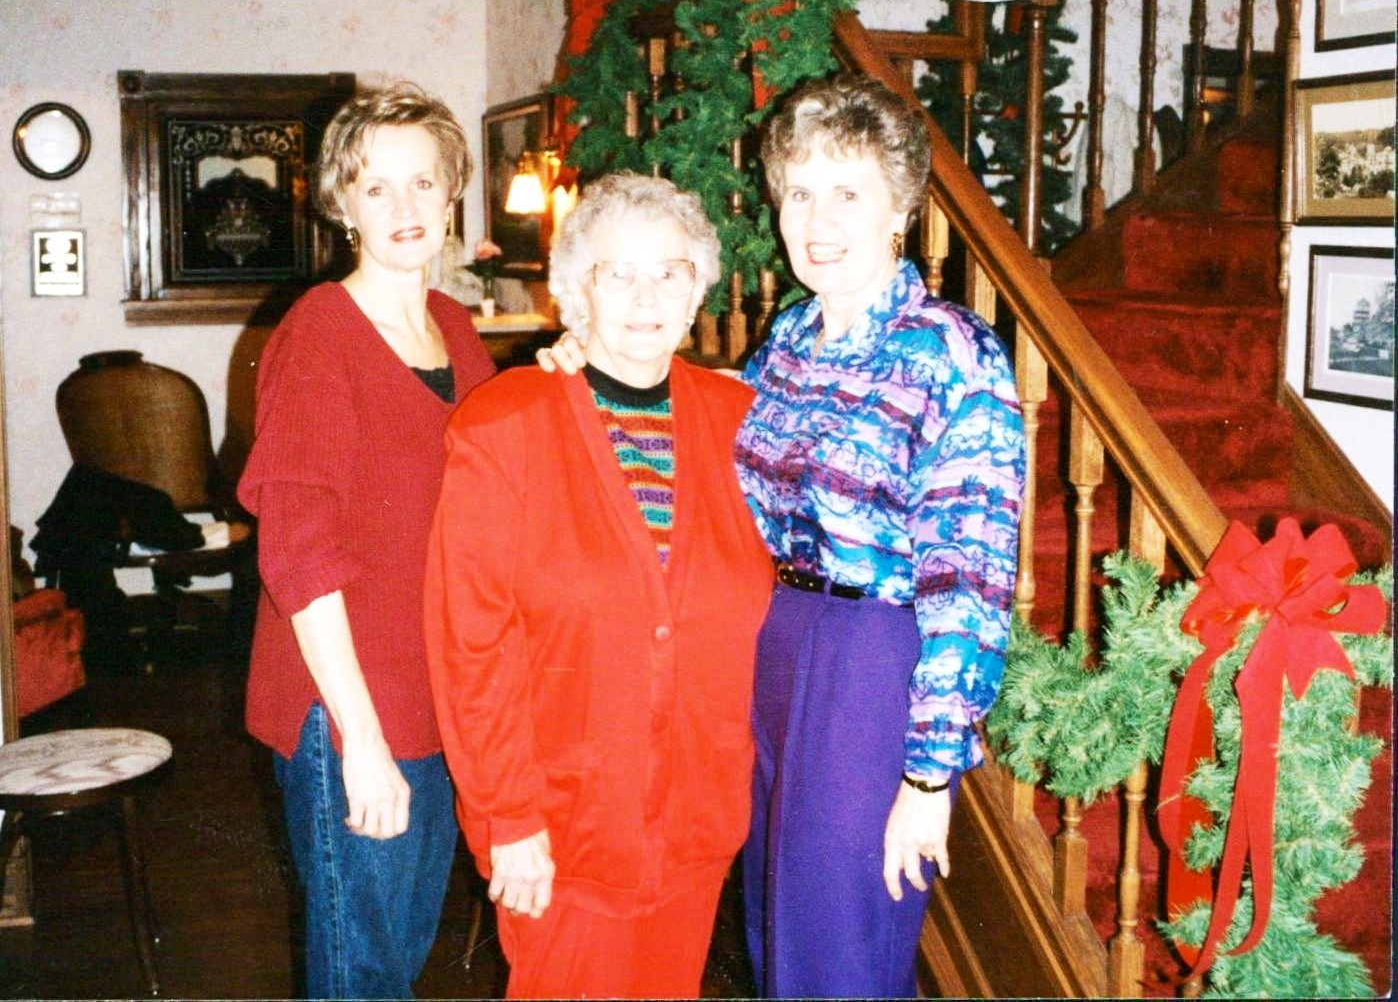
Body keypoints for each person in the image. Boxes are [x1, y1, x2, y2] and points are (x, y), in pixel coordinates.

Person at [539, 73, 1024, 997]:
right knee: (774, 937)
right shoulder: (791, 339)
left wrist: (929, 778)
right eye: (799, 192)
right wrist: (586, 354)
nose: (818, 219)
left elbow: (970, 581)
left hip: (872, 662)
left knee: (838, 953)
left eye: (847, 193)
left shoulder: (952, 352)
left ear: (900, 209)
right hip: (768, 649)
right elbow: (697, 434)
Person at [424, 173, 773, 999]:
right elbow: (471, 646)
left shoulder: (742, 420)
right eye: (617, 272)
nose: (645, 296)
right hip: (564, 833)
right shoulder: (505, 423)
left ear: (698, 288)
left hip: (695, 824)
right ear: (576, 289)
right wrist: (508, 819)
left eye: (670, 271)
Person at [237, 81, 495, 999]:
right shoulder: (319, 335)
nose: (403, 206)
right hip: (348, 702)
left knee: (397, 958)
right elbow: (298, 559)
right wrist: (361, 739)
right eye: (375, 187)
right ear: (342, 204)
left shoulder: (456, 328)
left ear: (452, 192)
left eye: (422, 181)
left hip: (435, 691)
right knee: (363, 973)